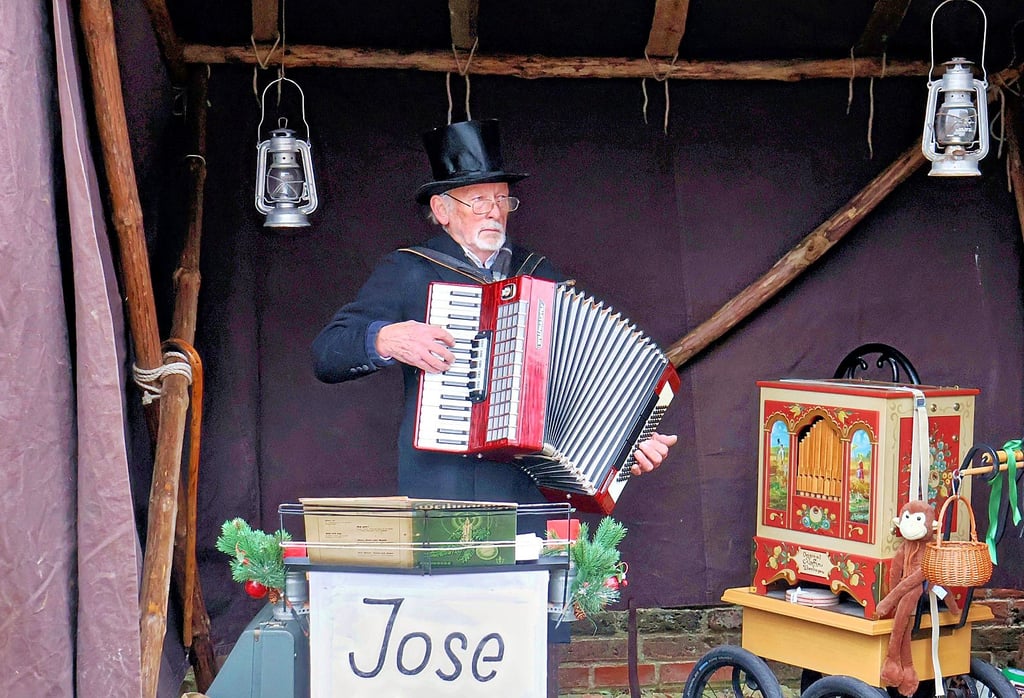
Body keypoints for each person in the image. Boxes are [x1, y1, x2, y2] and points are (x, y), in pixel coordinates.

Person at [311, 118, 676, 696]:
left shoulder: (540, 275)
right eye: (477, 199)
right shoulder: (407, 271)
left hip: (530, 498)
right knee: (445, 651)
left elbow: (584, 386)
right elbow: (327, 353)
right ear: (441, 210)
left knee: (526, 655)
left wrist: (629, 441)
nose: (493, 212)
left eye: (501, 199)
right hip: (445, 492)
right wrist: (386, 339)